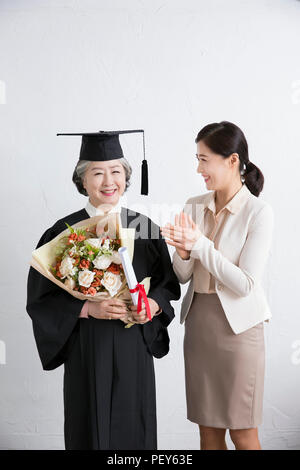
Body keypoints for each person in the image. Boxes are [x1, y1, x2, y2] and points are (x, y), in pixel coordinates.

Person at [26, 129, 180, 450]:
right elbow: (41, 299)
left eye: (116, 171)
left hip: (133, 347)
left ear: (126, 176)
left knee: (133, 431)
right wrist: (86, 308)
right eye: (98, 172)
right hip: (87, 348)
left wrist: (151, 305)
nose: (109, 181)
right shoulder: (62, 233)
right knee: (87, 429)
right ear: (83, 181)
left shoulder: (144, 227)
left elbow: (167, 286)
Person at [161, 121, 274, 450]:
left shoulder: (258, 212)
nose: (198, 168)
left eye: (204, 159)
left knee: (242, 432)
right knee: (207, 432)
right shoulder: (194, 204)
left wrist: (198, 246)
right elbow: (182, 276)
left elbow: (245, 284)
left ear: (233, 161)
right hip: (200, 327)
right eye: (197, 158)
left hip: (239, 335)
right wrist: (183, 253)